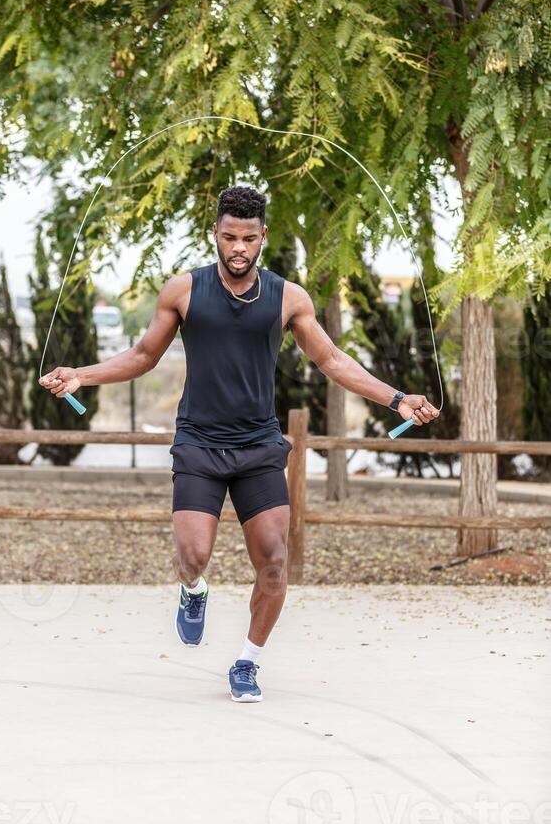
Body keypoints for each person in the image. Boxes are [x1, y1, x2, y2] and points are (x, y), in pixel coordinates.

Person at [39, 185, 440, 702]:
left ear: (263, 237)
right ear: (215, 235)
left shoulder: (288, 298)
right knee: (193, 555)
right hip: (199, 443)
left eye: (249, 238)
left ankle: (247, 662)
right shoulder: (183, 292)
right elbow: (142, 356)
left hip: (257, 445)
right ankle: (192, 590)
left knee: (274, 561)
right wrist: (82, 376)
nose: (238, 248)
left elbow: (333, 361)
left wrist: (397, 398)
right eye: (229, 236)